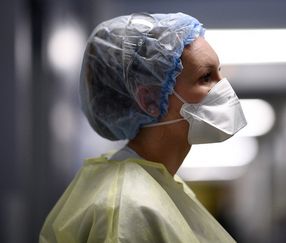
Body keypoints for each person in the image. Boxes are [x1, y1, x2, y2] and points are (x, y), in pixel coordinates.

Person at [39, 12, 247, 243]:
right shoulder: (126, 208)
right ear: (149, 100)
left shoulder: (158, 185)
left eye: (220, 72)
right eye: (206, 77)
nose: (223, 87)